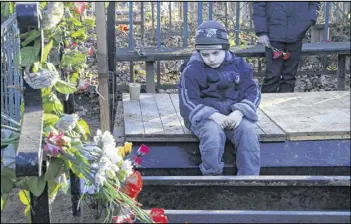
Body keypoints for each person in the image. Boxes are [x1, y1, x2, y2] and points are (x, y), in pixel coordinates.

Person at [177, 20, 261, 176]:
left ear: (225, 49)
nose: (211, 59)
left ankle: (250, 179)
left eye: (216, 53)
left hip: (233, 115)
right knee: (213, 135)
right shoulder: (192, 70)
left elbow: (253, 91)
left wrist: (240, 112)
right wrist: (212, 115)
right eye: (205, 55)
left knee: (249, 132)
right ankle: (212, 177)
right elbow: (188, 101)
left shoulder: (239, 65)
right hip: (205, 118)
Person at [253, 2, 321, 93]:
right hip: (274, 34)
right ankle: (266, 105)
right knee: (273, 76)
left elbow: (315, 3)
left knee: (289, 77)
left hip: (296, 34)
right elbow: (259, 6)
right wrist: (261, 32)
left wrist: (310, 19)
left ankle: (284, 105)